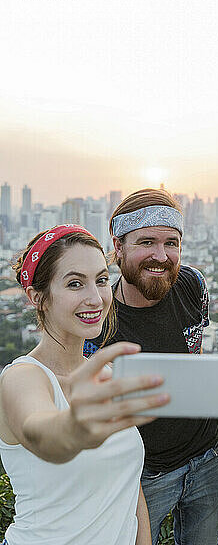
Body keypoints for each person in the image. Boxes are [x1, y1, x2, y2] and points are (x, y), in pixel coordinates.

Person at [0, 224, 170, 545]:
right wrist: (74, 428)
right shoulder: (22, 377)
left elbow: (128, 486)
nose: (95, 298)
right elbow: (43, 433)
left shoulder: (104, 379)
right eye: (75, 283)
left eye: (102, 280)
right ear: (39, 298)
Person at [84, 189, 218, 545]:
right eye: (146, 241)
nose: (161, 256)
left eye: (172, 243)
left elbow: (191, 360)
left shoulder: (193, 285)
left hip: (207, 457)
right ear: (117, 246)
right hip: (143, 474)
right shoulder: (98, 320)